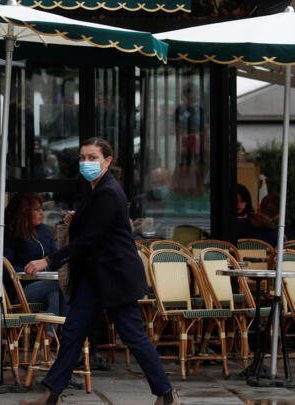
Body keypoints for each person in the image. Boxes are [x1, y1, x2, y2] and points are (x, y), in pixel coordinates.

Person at [22, 138, 179, 405]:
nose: (86, 163)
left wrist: (48, 260)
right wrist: (77, 219)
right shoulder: (98, 190)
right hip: (96, 278)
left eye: (93, 158)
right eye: (83, 158)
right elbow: (93, 229)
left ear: (108, 161)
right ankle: (52, 394)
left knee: (133, 336)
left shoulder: (107, 191)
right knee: (73, 332)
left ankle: (166, 394)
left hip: (114, 279)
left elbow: (89, 240)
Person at [3, 192, 66, 335]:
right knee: (64, 282)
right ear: (24, 212)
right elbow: (3, 267)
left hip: (48, 286)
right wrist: (31, 270)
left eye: (42, 209)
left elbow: (54, 258)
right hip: (21, 290)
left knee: (55, 293)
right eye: (37, 210)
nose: (41, 213)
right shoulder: (11, 234)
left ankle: (49, 341)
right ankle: (69, 335)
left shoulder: (44, 230)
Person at [130, 167, 171, 237]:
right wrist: (135, 229)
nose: (158, 187)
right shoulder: (139, 202)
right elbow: (129, 227)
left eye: (162, 182)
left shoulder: (176, 202)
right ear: (150, 184)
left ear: (170, 182)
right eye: (155, 183)